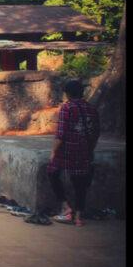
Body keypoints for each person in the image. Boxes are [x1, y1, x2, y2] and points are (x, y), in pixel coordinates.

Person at [47, 79, 100, 226]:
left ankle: (66, 207)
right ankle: (78, 217)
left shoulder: (67, 107)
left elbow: (61, 134)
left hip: (67, 151)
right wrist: (90, 149)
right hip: (84, 151)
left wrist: (53, 152)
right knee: (80, 183)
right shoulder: (91, 108)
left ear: (68, 94)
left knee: (52, 172)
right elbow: (96, 132)